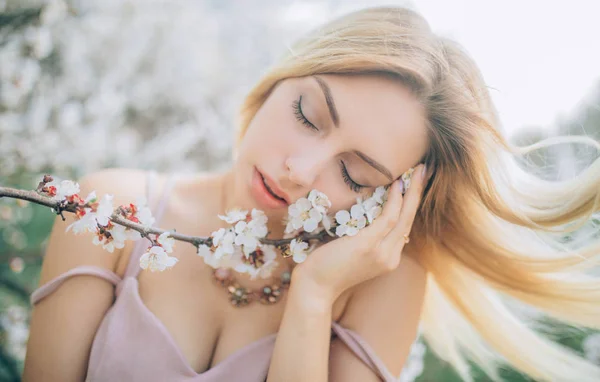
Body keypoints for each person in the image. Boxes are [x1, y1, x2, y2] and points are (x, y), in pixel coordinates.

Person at [22, 5, 600, 382]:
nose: (300, 170)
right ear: (281, 80)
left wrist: (315, 295)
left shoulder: (381, 289)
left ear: (389, 203)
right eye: (307, 114)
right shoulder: (109, 214)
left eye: (355, 177)